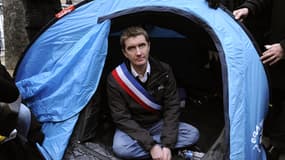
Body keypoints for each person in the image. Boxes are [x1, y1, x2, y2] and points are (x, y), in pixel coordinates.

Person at [106, 26, 200, 160]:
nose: (138, 52)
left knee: (192, 134)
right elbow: (121, 118)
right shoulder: (115, 79)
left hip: (157, 124)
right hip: (133, 126)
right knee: (120, 148)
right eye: (131, 48)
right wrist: (151, 146)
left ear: (149, 46)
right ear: (125, 53)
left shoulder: (164, 70)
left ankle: (161, 150)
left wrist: (167, 144)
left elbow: (172, 107)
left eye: (142, 45)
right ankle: (159, 151)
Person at [234, 0, 285, 159]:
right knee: (273, 96)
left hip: (281, 50)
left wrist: (284, 47)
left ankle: (277, 146)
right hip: (275, 54)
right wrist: (248, 8)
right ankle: (268, 139)